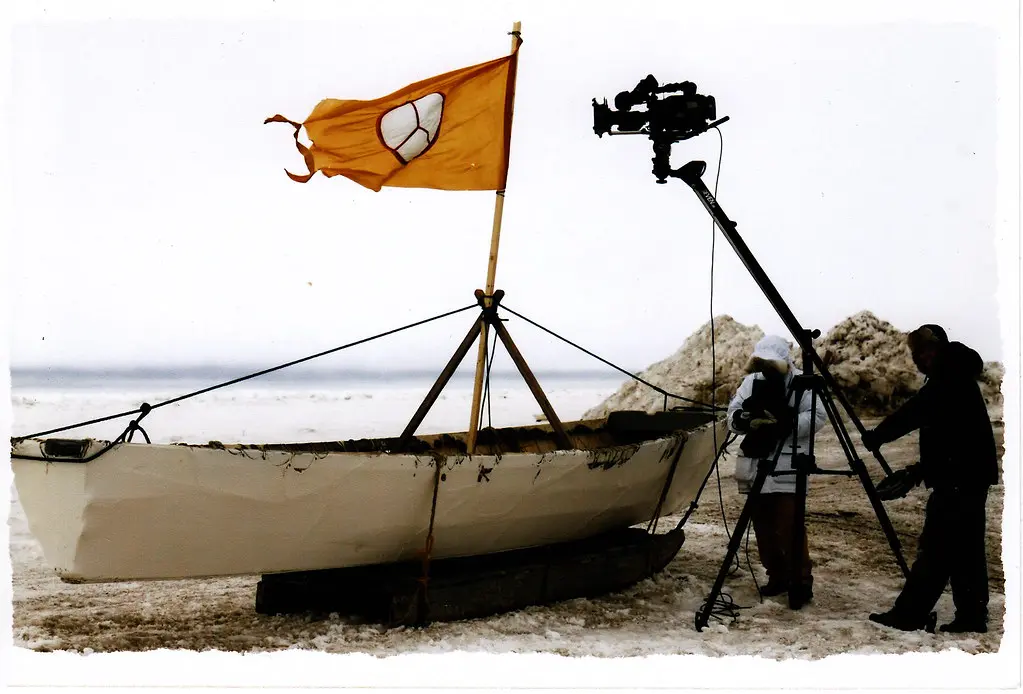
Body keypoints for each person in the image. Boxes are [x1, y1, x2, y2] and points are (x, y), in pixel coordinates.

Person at [862, 324, 998, 634]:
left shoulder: (947, 377)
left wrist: (880, 435)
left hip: (959, 478)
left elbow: (916, 412)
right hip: (967, 475)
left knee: (937, 549)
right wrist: (919, 471)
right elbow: (950, 438)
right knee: (965, 551)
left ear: (934, 350)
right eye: (915, 355)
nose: (918, 360)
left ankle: (909, 615)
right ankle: (971, 617)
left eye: (922, 353)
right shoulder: (955, 373)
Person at [727, 334, 828, 608]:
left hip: (787, 465)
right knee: (763, 526)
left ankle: (800, 582)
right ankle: (777, 576)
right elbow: (733, 412)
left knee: (789, 526)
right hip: (757, 461)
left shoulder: (802, 384)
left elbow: (818, 416)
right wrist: (746, 419)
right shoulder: (752, 382)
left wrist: (786, 424)